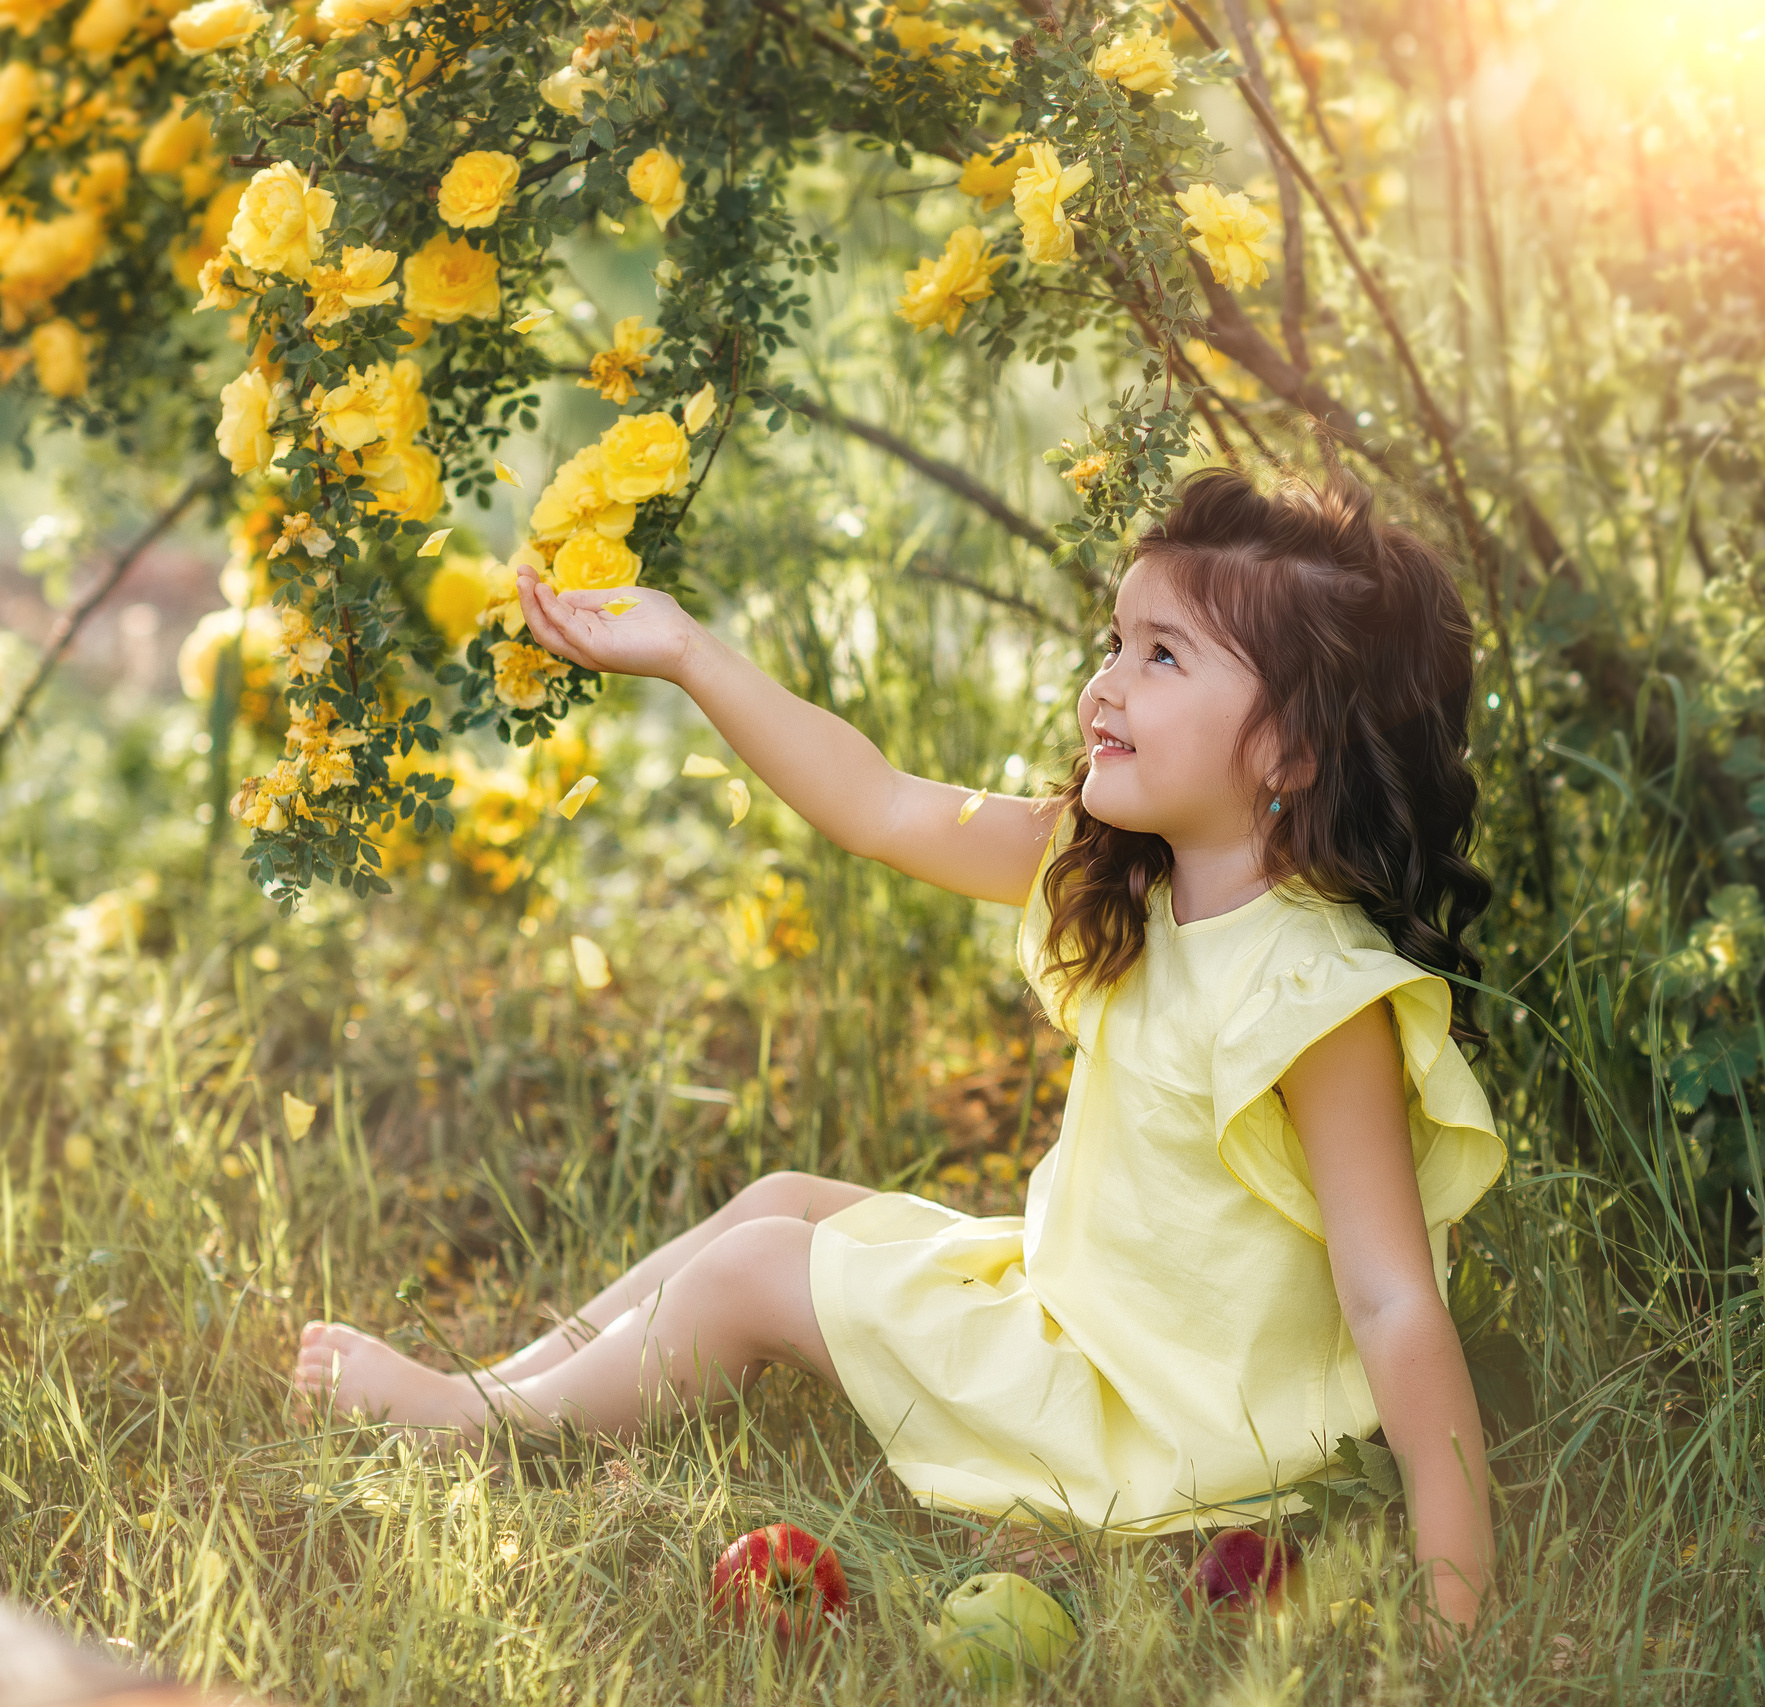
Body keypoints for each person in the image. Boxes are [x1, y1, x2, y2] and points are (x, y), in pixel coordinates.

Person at [293, 467, 1505, 1632]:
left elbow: (1390, 1295)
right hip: (1085, 1324)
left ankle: (473, 1426)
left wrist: (1459, 1597)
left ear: (1291, 750)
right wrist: (685, 652)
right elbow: (874, 803)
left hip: (1163, 1426)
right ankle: (511, 1381)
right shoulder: (1126, 876)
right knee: (786, 1202)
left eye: (1162, 655)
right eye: (1115, 641)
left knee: (757, 1268)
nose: (1105, 685)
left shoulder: (1315, 997)